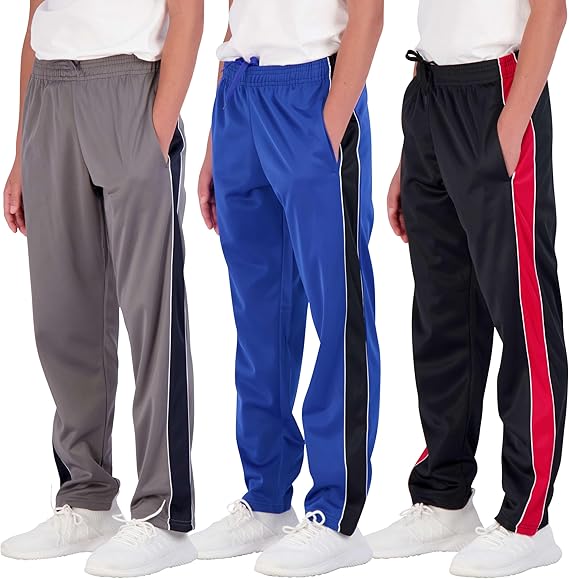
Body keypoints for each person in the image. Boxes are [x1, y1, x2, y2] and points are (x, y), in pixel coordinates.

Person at [1, 1, 203, 576]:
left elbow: (187, 12)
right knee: (63, 316)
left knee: (153, 316)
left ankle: (163, 514)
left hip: (131, 86)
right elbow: (35, 19)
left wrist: (157, 132)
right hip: (51, 92)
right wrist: (21, 152)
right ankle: (86, 496)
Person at [367, 0, 568, 577]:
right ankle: (444, 496)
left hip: (496, 93)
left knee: (522, 314)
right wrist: (412, 151)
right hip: (430, 94)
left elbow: (551, 10)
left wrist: (513, 122)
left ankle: (528, 520)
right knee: (443, 315)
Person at [192, 0, 383, 576]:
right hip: (241, 93)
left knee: (339, 311)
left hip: (312, 90)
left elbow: (367, 13)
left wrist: (329, 129)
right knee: (258, 318)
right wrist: (215, 142)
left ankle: (337, 513)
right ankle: (267, 496)